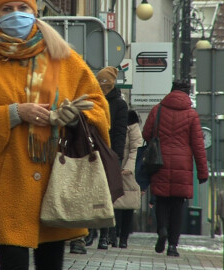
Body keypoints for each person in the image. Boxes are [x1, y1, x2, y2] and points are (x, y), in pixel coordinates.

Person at [0, 1, 111, 269]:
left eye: (23, 7)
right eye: (7, 8)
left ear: (36, 12)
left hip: (55, 179)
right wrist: (13, 113)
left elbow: (97, 105)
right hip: (8, 181)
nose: (16, 14)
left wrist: (76, 117)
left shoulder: (65, 59)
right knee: (12, 260)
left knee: (51, 260)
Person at [142, 80, 208, 257]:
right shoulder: (191, 115)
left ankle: (162, 229)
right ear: (187, 94)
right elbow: (198, 146)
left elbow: (146, 134)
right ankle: (172, 246)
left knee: (162, 201)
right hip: (182, 166)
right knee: (178, 206)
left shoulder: (158, 110)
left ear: (171, 91)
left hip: (160, 162)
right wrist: (202, 172)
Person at [94, 66, 128, 250]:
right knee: (90, 193)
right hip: (92, 153)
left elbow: (120, 133)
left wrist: (116, 156)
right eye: (100, 82)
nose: (103, 86)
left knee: (107, 196)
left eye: (106, 82)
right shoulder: (93, 100)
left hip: (110, 155)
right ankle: (89, 233)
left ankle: (105, 235)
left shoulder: (119, 104)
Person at [113, 109, 143, 248]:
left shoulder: (131, 123)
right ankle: (112, 235)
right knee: (113, 204)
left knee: (127, 205)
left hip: (127, 170)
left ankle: (123, 238)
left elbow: (136, 148)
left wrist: (129, 167)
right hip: (112, 166)